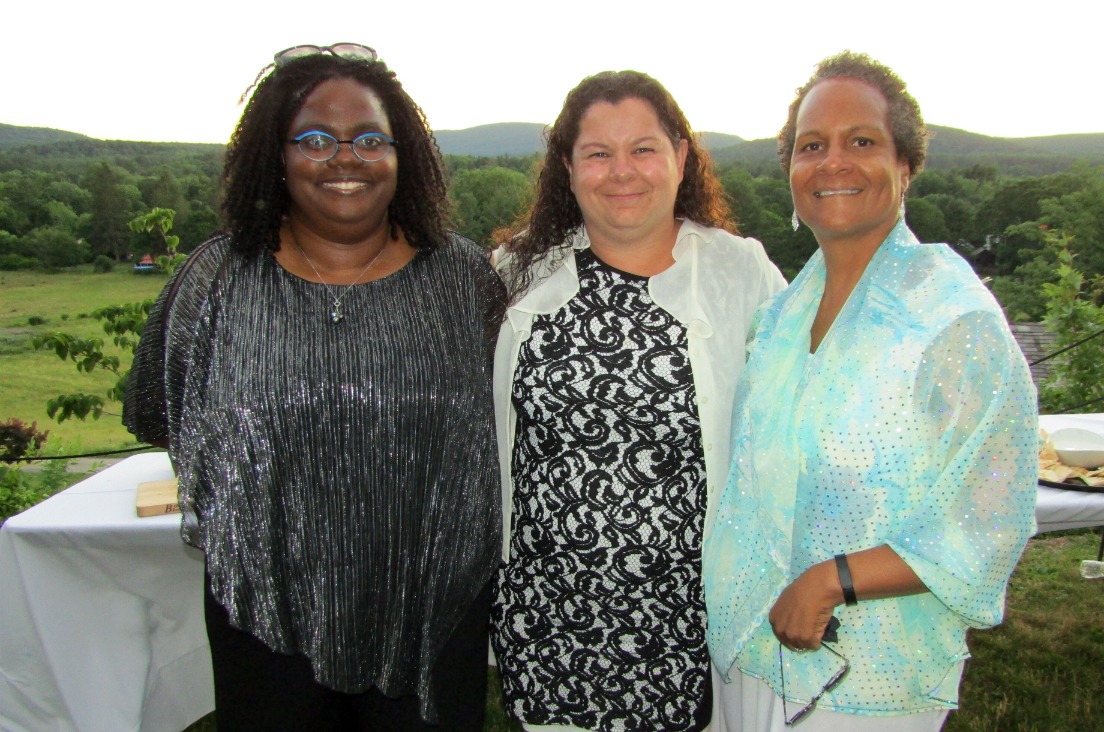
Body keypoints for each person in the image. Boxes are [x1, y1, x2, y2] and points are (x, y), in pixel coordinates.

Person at [122, 44, 504, 731]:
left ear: (402, 153)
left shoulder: (464, 281)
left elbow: (508, 426)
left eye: (369, 139)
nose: (345, 157)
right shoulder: (214, 282)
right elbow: (159, 412)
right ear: (276, 154)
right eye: (316, 139)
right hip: (263, 618)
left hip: (429, 618)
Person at [704, 52, 1039, 732]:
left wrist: (834, 579)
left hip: (867, 675)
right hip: (751, 647)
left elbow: (992, 517)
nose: (833, 163)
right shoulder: (783, 315)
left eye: (862, 141)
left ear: (906, 164)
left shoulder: (951, 319)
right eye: (811, 146)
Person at [490, 70, 787, 732]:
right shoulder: (514, 277)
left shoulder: (742, 274)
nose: (621, 171)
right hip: (552, 616)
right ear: (567, 168)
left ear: (682, 158)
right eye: (597, 153)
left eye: (643, 149)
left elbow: (802, 416)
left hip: (686, 620)